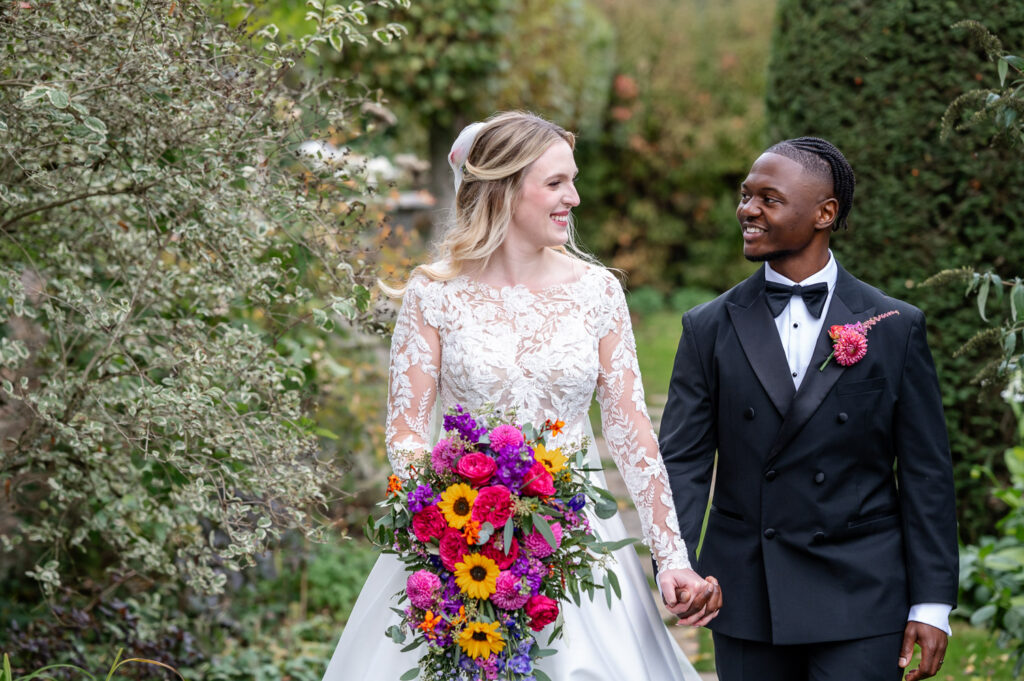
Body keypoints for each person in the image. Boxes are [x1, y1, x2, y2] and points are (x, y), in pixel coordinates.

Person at [321, 111, 721, 681]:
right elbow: (407, 431)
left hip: (575, 537)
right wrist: (443, 518)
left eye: (572, 180)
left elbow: (632, 436)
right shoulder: (433, 294)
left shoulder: (597, 292)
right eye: (556, 183)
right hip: (461, 540)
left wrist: (671, 558)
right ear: (504, 188)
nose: (575, 198)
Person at [659, 137, 959, 681]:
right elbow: (683, 463)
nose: (746, 210)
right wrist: (673, 562)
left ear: (825, 213)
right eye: (745, 195)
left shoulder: (894, 326)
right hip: (746, 592)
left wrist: (932, 602)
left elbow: (925, 473)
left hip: (863, 591)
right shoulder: (707, 327)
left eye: (768, 199)